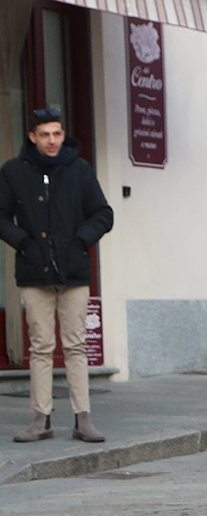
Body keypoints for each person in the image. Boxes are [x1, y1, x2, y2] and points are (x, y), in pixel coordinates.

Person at [0, 108, 113, 443]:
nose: (52, 140)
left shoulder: (79, 170)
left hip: (74, 273)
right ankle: (41, 419)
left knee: (76, 346)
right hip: (34, 273)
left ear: (63, 135)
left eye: (57, 134)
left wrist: (79, 241)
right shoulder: (12, 172)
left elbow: (103, 214)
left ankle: (83, 419)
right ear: (32, 137)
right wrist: (24, 243)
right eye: (45, 134)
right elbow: (1, 216)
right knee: (41, 347)